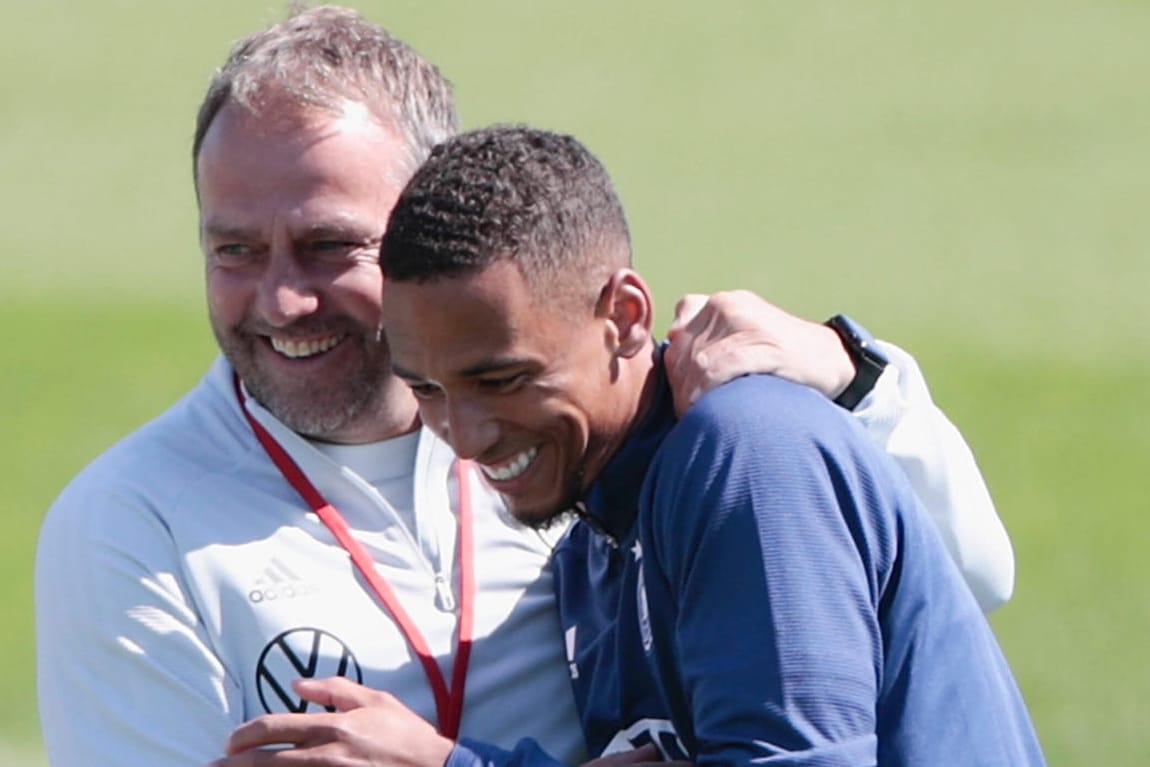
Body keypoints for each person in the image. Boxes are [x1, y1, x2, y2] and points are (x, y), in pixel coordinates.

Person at [34, 6, 1012, 767]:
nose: (282, 297)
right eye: (234, 248)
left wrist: (856, 383)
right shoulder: (130, 524)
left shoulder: (628, 432)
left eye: (329, 243)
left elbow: (964, 578)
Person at [362, 125, 1045, 766]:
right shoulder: (587, 553)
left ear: (625, 317)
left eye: (503, 378)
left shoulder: (748, 455)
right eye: (425, 388)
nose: (466, 435)